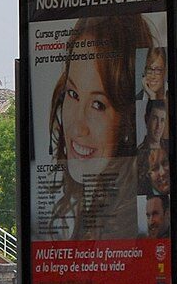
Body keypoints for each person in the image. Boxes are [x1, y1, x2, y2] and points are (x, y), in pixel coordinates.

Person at [39, 12, 150, 239]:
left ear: (128, 119)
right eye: (73, 93)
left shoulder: (134, 226)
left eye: (98, 105)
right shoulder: (91, 206)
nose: (78, 127)